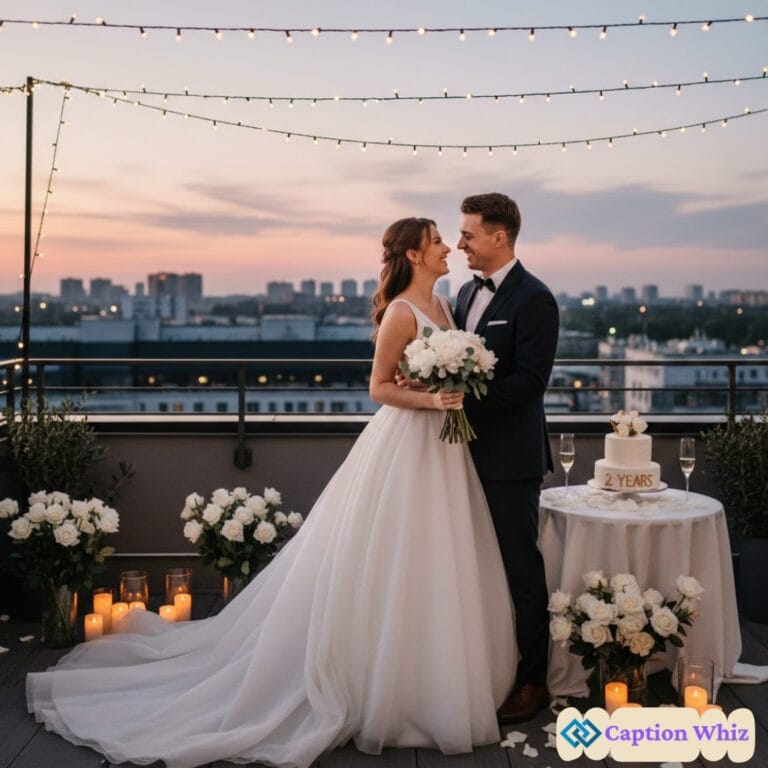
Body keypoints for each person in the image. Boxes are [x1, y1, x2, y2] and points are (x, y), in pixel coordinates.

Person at [26, 217, 516, 768]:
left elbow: (429, 378)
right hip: (407, 445)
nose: (447, 246)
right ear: (413, 254)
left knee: (439, 555)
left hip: (447, 453)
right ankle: (383, 686)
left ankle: (433, 676)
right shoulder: (401, 314)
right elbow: (378, 387)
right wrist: (431, 402)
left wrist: (444, 386)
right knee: (391, 554)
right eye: (436, 241)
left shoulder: (446, 309)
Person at [453, 193, 559, 724]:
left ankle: (534, 680)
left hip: (510, 460)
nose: (459, 244)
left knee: (520, 568)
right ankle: (482, 667)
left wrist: (463, 397)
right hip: (458, 454)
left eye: (468, 234)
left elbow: (531, 383)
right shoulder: (465, 292)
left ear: (500, 236)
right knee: (468, 565)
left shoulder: (534, 298)